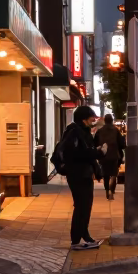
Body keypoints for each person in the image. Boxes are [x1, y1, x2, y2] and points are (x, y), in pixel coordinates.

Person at [58, 105, 102, 249]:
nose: (93, 120)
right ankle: (76, 240)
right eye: (91, 118)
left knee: (85, 206)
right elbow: (76, 154)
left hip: (84, 174)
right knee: (82, 206)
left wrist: (96, 156)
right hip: (77, 174)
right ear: (83, 118)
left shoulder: (83, 131)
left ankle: (83, 235)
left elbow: (87, 152)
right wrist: (97, 153)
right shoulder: (74, 132)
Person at [94, 112, 125, 201]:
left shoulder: (100, 131)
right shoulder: (116, 130)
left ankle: (107, 190)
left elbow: (95, 143)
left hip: (103, 156)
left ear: (104, 121)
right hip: (114, 155)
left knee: (106, 174)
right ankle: (112, 190)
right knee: (114, 173)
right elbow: (121, 144)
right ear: (111, 121)